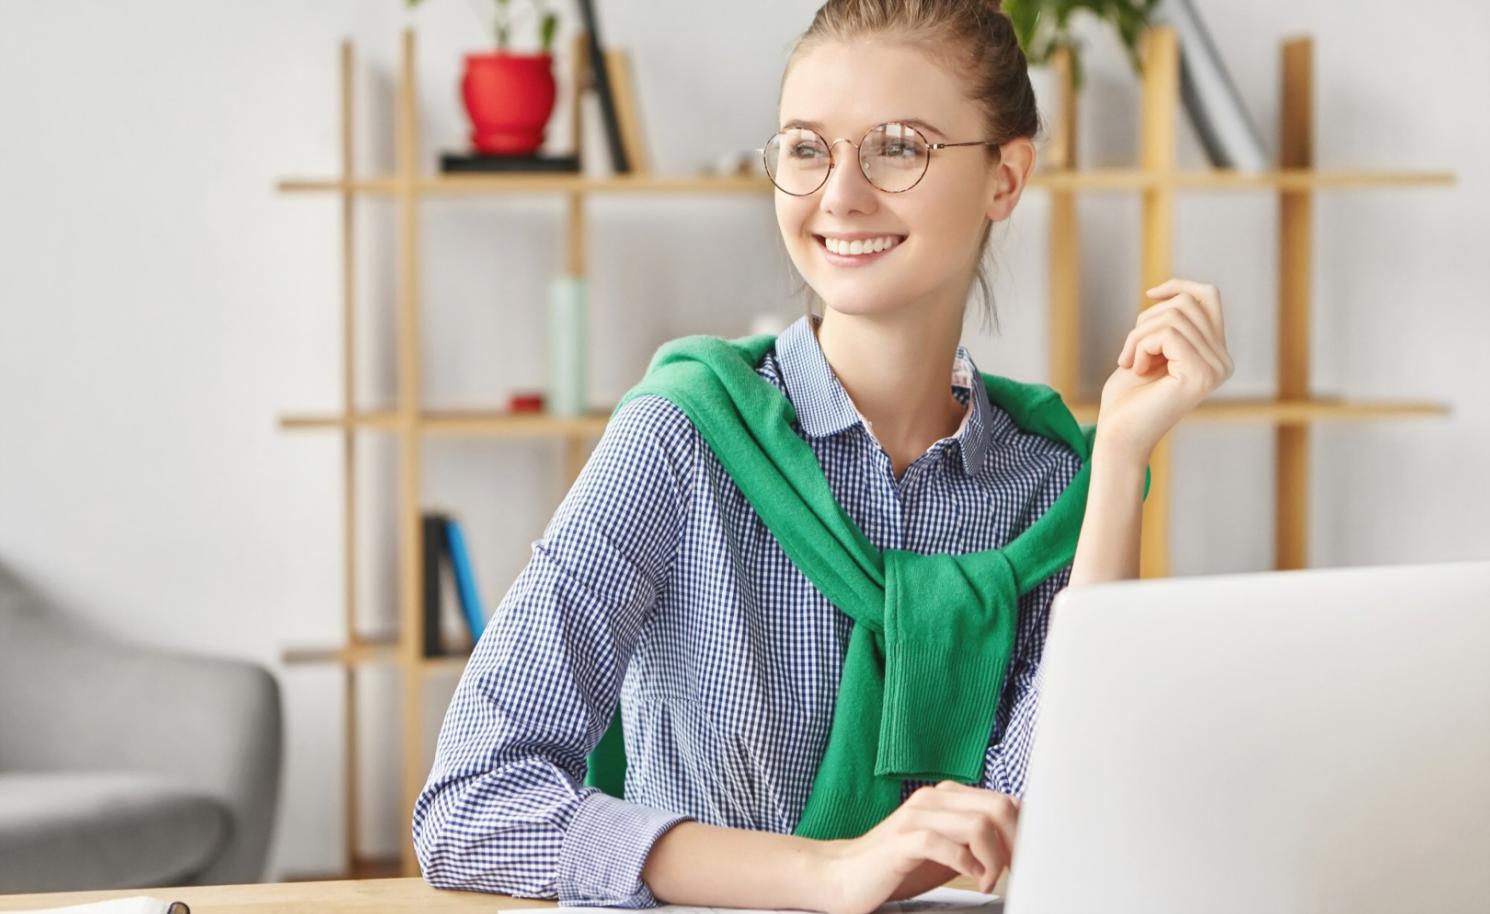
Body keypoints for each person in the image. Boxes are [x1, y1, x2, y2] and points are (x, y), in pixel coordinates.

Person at [412, 1, 1233, 912]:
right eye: (806, 149)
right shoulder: (685, 436)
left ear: (1005, 177)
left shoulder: (1049, 485)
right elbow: (471, 805)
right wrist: (831, 874)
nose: (839, 196)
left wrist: (1117, 462)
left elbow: (1063, 802)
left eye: (896, 146)